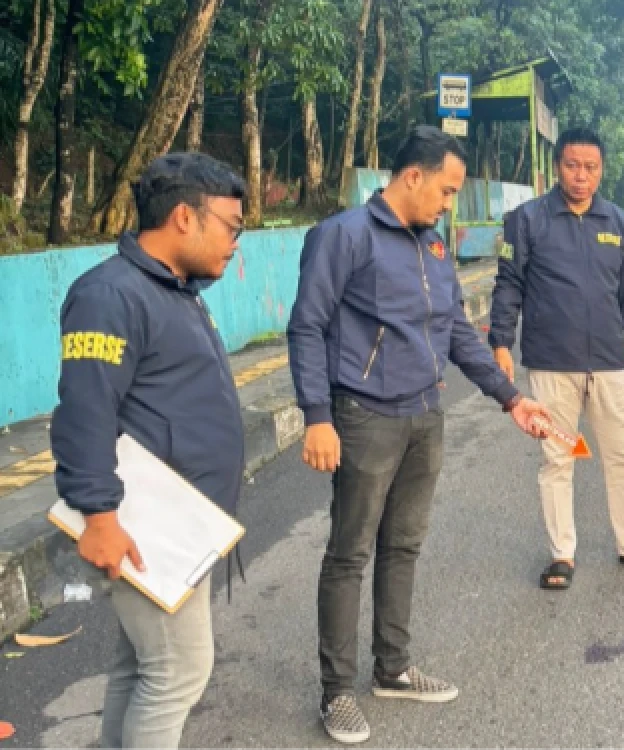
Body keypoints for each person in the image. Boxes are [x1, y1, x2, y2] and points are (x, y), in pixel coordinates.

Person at [287, 125, 550, 744]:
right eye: (447, 190)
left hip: (425, 415)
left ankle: (394, 668)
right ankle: (336, 692)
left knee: (404, 545)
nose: (449, 203)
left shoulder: (432, 245)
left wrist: (511, 398)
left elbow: (456, 329)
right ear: (412, 176)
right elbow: (307, 326)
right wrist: (317, 415)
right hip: (364, 417)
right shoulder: (344, 235)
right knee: (350, 551)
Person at [51, 153, 246, 750]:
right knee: (178, 672)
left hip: (177, 523)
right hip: (142, 526)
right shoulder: (111, 295)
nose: (235, 242)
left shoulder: (174, 288)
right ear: (185, 217)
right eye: (231, 226)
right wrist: (99, 517)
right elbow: (85, 411)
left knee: (141, 667)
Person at [490, 127, 624, 591]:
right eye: (573, 166)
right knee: (558, 458)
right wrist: (500, 344)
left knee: (621, 455)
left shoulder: (617, 222)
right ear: (558, 167)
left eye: (591, 167)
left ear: (602, 170)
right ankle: (562, 554)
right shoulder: (528, 220)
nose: (581, 176)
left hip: (610, 363)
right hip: (552, 364)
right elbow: (509, 284)